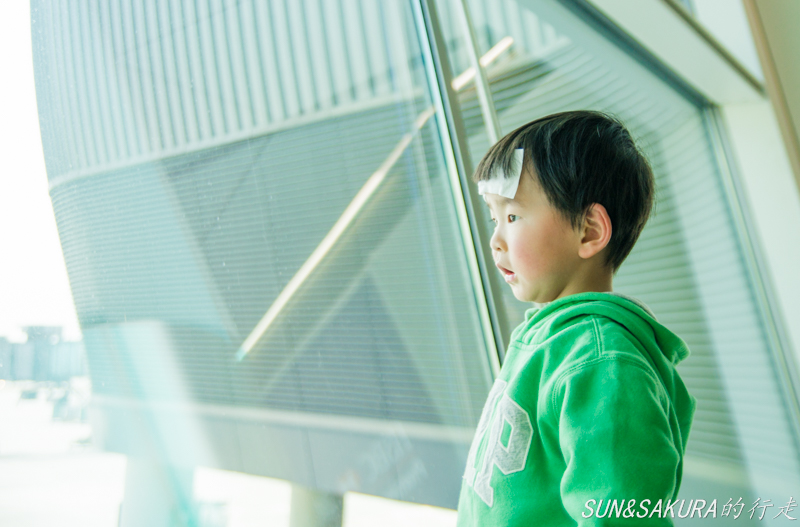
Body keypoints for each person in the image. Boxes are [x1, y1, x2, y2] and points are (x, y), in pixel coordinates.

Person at [456, 111, 696, 525]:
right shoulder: (549, 338)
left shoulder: (603, 364)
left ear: (588, 231)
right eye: (494, 219)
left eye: (512, 217)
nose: (495, 240)